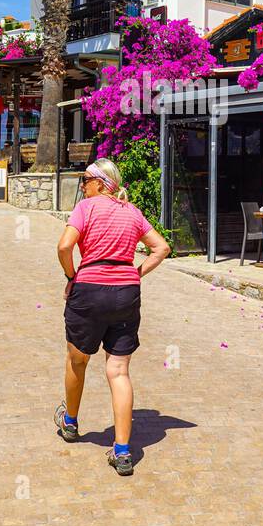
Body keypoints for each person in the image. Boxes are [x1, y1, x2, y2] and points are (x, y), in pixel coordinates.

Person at [55, 158, 170, 476]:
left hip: (89, 289)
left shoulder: (86, 208)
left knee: (77, 360)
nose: (82, 186)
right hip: (125, 294)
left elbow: (65, 246)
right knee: (118, 371)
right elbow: (161, 248)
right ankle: (122, 451)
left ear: (100, 184)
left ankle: (70, 422)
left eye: (85, 180)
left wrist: (72, 276)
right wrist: (135, 273)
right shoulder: (131, 212)